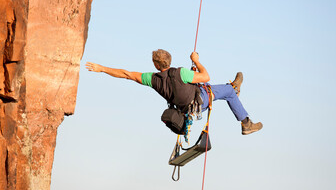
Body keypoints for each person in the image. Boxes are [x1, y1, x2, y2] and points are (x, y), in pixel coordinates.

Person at [85, 49, 263, 135]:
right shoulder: (181, 72)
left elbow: (126, 74)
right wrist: (197, 61)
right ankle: (246, 122)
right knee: (228, 92)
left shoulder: (152, 79)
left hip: (186, 109)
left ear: (156, 65)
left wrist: (101, 68)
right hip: (199, 100)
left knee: (223, 90)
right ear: (169, 61)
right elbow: (206, 76)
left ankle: (233, 88)